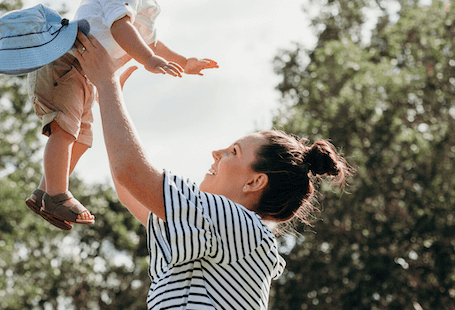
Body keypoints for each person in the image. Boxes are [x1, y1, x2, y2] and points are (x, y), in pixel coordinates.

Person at [73, 31, 351, 309]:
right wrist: (107, 98)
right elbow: (130, 189)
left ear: (255, 181)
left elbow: (131, 174)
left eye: (233, 152)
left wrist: (107, 83)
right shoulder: (225, 231)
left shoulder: (239, 223)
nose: (216, 153)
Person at [25, 0, 219, 231]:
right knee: (65, 131)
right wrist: (147, 60)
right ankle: (57, 193)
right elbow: (120, 28)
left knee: (83, 139)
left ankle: (46, 191)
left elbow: (152, 43)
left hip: (86, 74)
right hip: (67, 61)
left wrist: (186, 62)